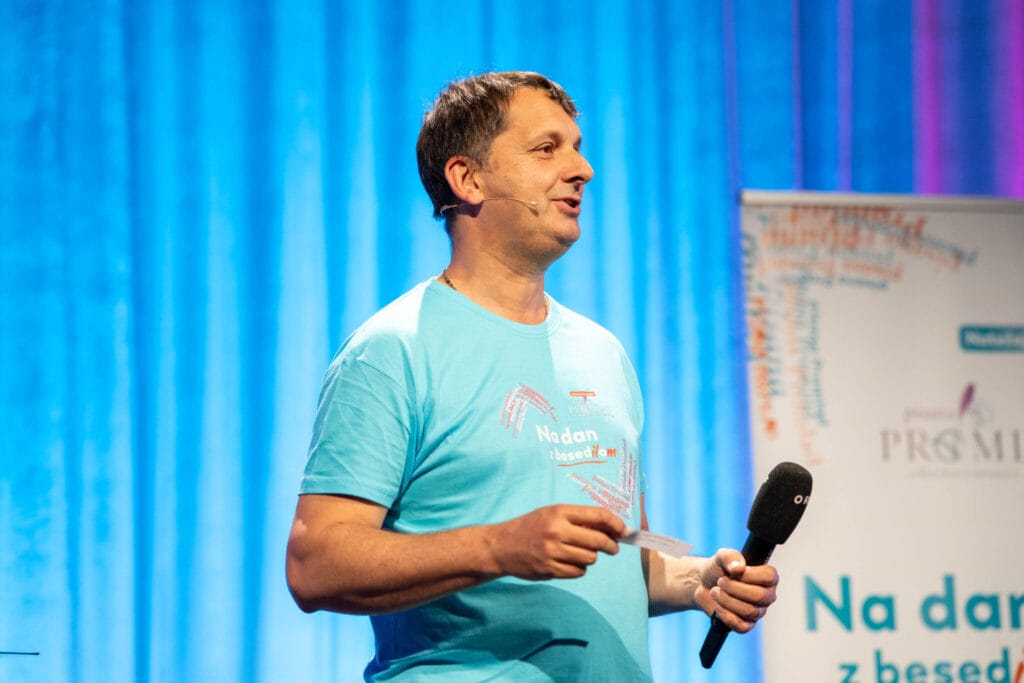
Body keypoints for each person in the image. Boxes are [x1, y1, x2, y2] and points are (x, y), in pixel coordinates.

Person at [286, 71, 778, 681]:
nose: (583, 169)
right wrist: (499, 546)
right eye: (547, 149)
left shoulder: (602, 352)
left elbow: (626, 555)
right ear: (467, 179)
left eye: (577, 147)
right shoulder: (392, 352)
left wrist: (697, 580)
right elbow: (315, 565)